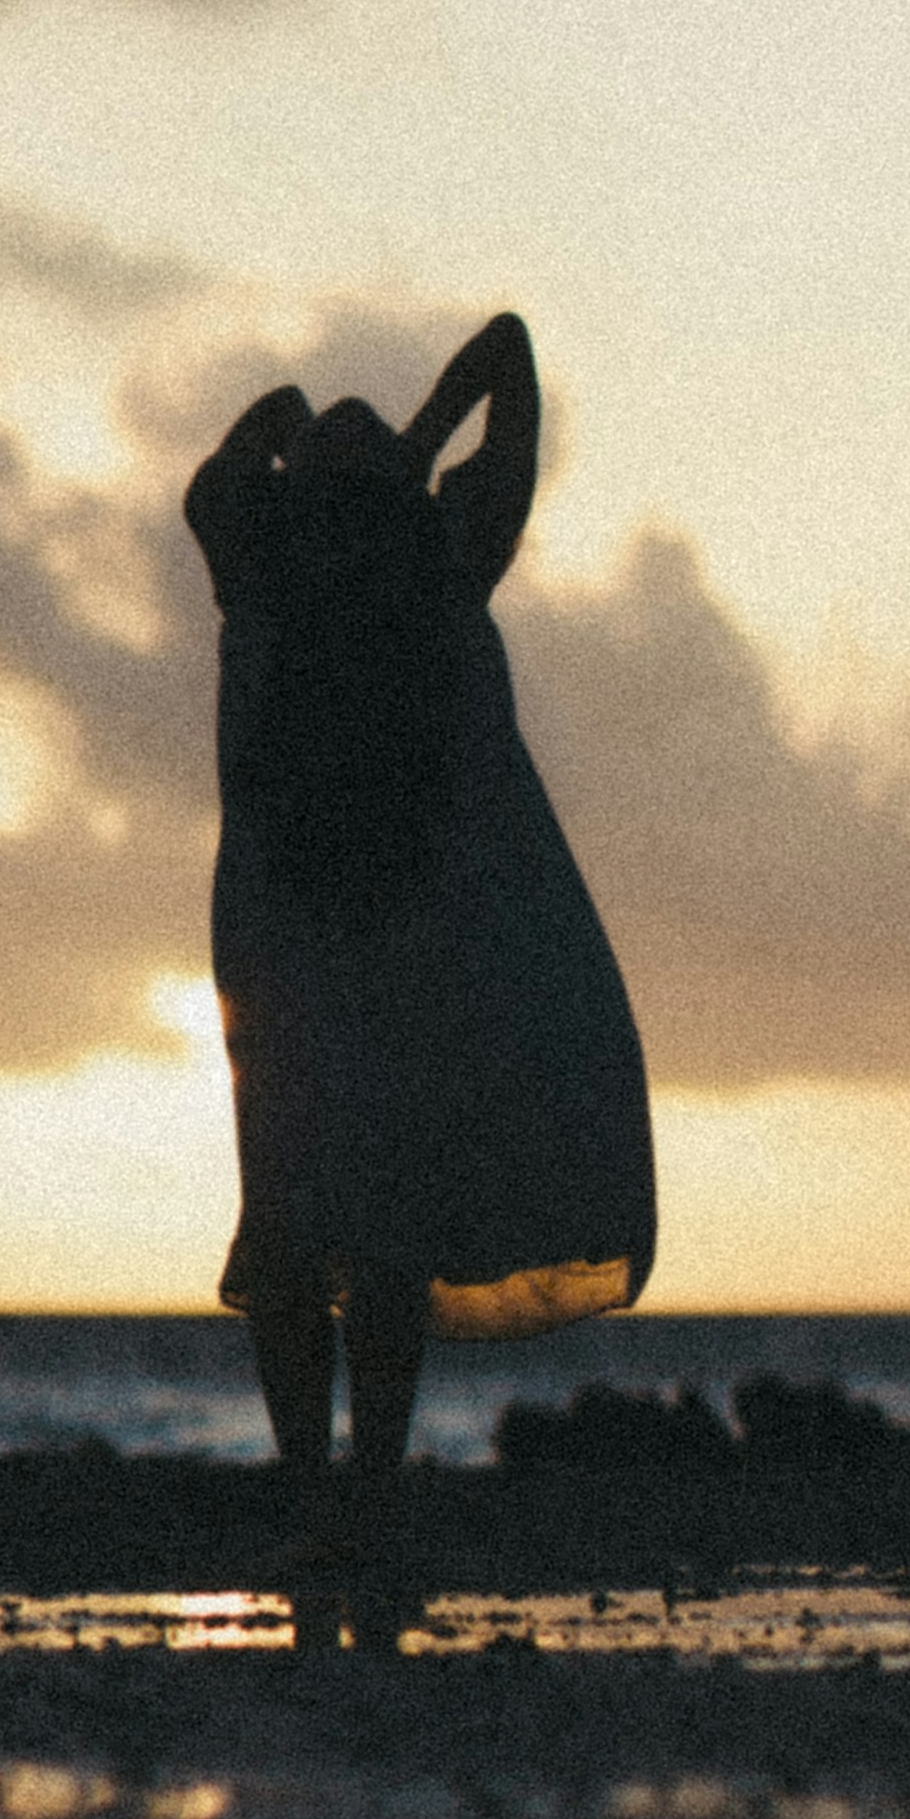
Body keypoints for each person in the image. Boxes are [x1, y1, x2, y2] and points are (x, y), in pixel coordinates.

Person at [183, 310, 654, 1501]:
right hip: (342, 954)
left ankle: (335, 1496)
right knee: (345, 1239)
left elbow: (214, 482)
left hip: (322, 953)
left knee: (317, 1235)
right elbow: (507, 355)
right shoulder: (431, 550)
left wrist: (291, 421)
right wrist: (415, 435)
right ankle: (354, 1497)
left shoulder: (283, 564)